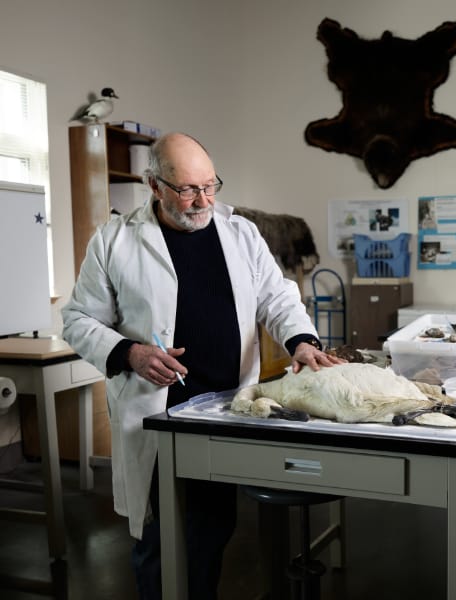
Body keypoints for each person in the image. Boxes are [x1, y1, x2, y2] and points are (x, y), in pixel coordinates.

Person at [61, 132, 344, 599]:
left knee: (211, 532)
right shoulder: (115, 240)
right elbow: (77, 319)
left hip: (226, 412)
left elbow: (277, 297)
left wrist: (302, 341)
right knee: (159, 540)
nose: (202, 200)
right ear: (155, 186)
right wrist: (129, 353)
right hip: (159, 415)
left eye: (210, 186)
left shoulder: (240, 232)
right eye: (188, 189)